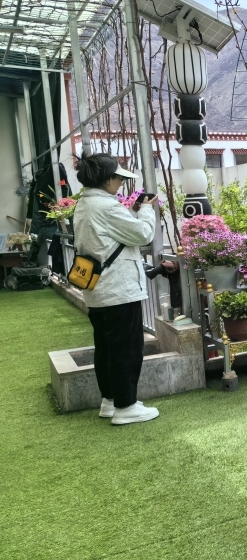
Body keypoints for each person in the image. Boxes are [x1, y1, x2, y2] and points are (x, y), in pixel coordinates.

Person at [74, 153, 160, 426]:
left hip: (98, 290)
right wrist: (145, 210)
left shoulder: (85, 204)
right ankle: (126, 407)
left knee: (106, 349)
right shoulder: (105, 206)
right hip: (118, 290)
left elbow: (113, 235)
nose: (121, 183)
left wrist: (131, 213)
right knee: (127, 349)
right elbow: (143, 234)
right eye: (119, 178)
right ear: (107, 179)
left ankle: (110, 401)